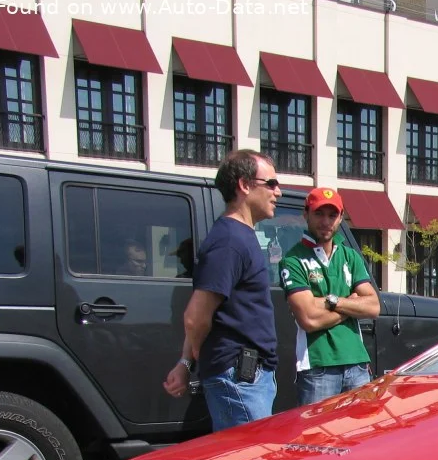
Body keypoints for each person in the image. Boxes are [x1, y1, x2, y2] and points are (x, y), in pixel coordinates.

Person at [162, 149, 282, 430]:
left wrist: (184, 362)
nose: (278, 192)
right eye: (271, 184)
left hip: (247, 377)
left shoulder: (240, 236)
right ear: (244, 185)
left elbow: (203, 317)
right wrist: (186, 361)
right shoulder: (229, 241)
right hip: (240, 379)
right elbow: (195, 317)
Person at [278, 187, 380, 405]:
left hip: (358, 363)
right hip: (318, 366)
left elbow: (373, 307)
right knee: (318, 437)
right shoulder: (293, 260)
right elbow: (309, 319)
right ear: (306, 214)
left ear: (341, 218)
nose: (326, 221)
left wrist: (329, 302)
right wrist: (351, 304)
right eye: (319, 214)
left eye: (332, 215)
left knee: (360, 435)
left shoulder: (350, 255)